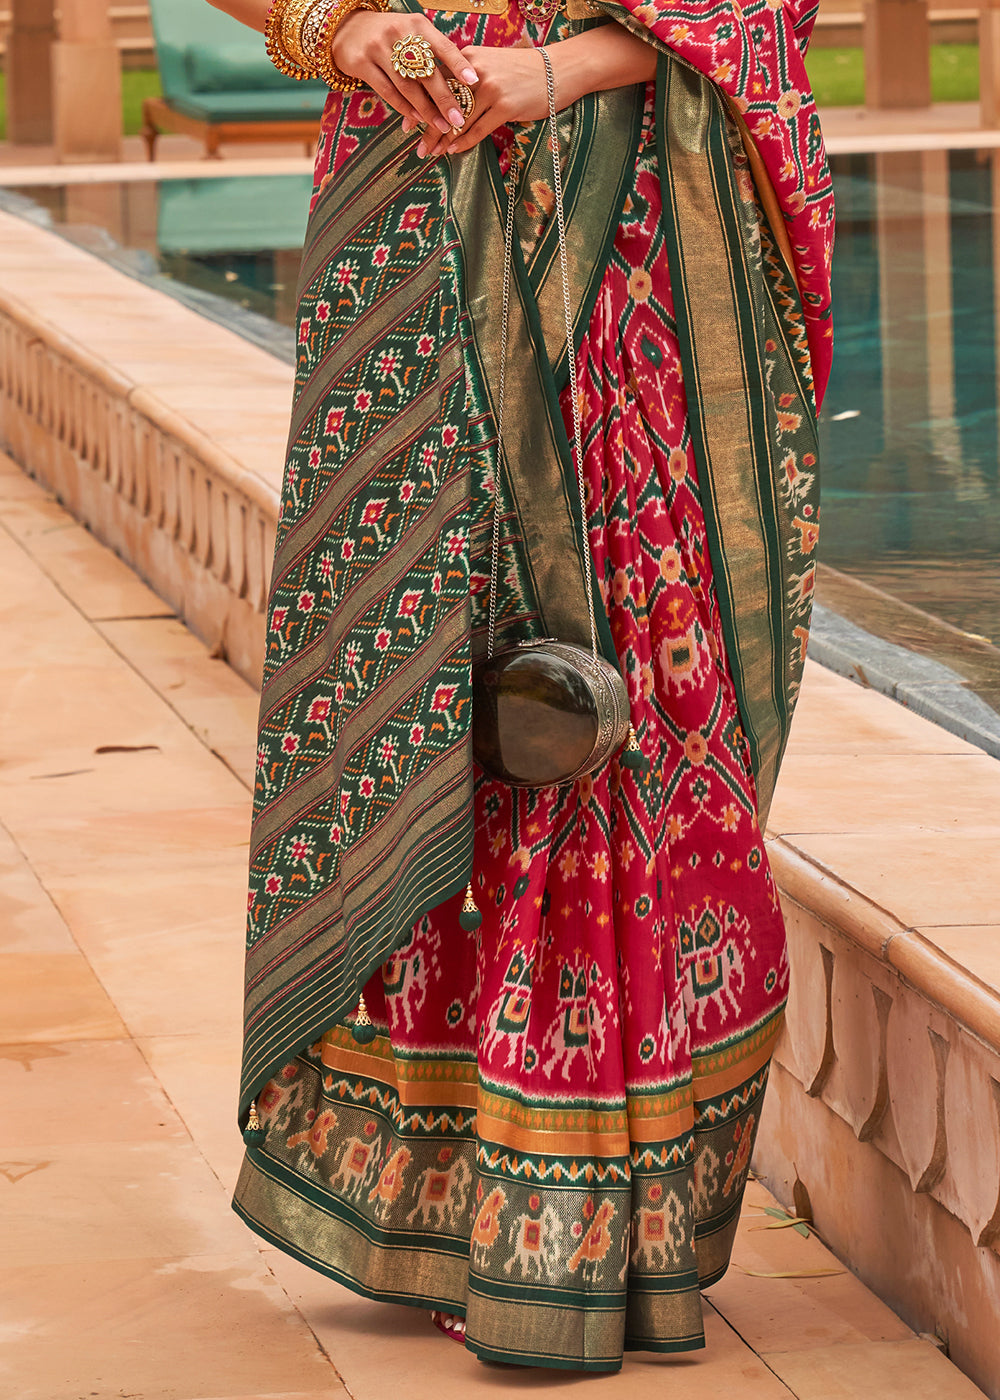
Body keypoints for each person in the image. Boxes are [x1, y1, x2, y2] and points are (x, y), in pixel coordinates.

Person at [211, 0, 834, 1372]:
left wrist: (543, 72)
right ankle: (458, 1197)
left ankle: (618, 1210)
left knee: (634, 704)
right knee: (439, 679)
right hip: (419, 210)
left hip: (638, 217)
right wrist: (342, 25)